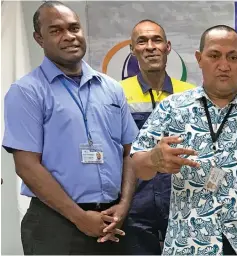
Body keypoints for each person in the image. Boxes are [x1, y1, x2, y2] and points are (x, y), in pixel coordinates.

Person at [129, 25, 237, 255]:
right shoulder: (173, 108)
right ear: (199, 59)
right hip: (189, 243)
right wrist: (153, 159)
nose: (224, 65)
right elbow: (138, 167)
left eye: (233, 57)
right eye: (214, 55)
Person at [2, 1, 138, 254]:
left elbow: (130, 151)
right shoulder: (27, 92)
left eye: (74, 28)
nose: (69, 37)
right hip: (56, 224)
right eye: (56, 30)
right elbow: (27, 165)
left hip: (112, 221)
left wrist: (124, 205)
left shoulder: (111, 88)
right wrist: (79, 217)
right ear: (39, 38)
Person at [119, 19, 197, 255]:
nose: (150, 46)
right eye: (142, 41)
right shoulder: (117, 93)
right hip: (136, 201)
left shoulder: (191, 93)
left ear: (168, 47)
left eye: (157, 40)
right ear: (133, 50)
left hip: (182, 198)